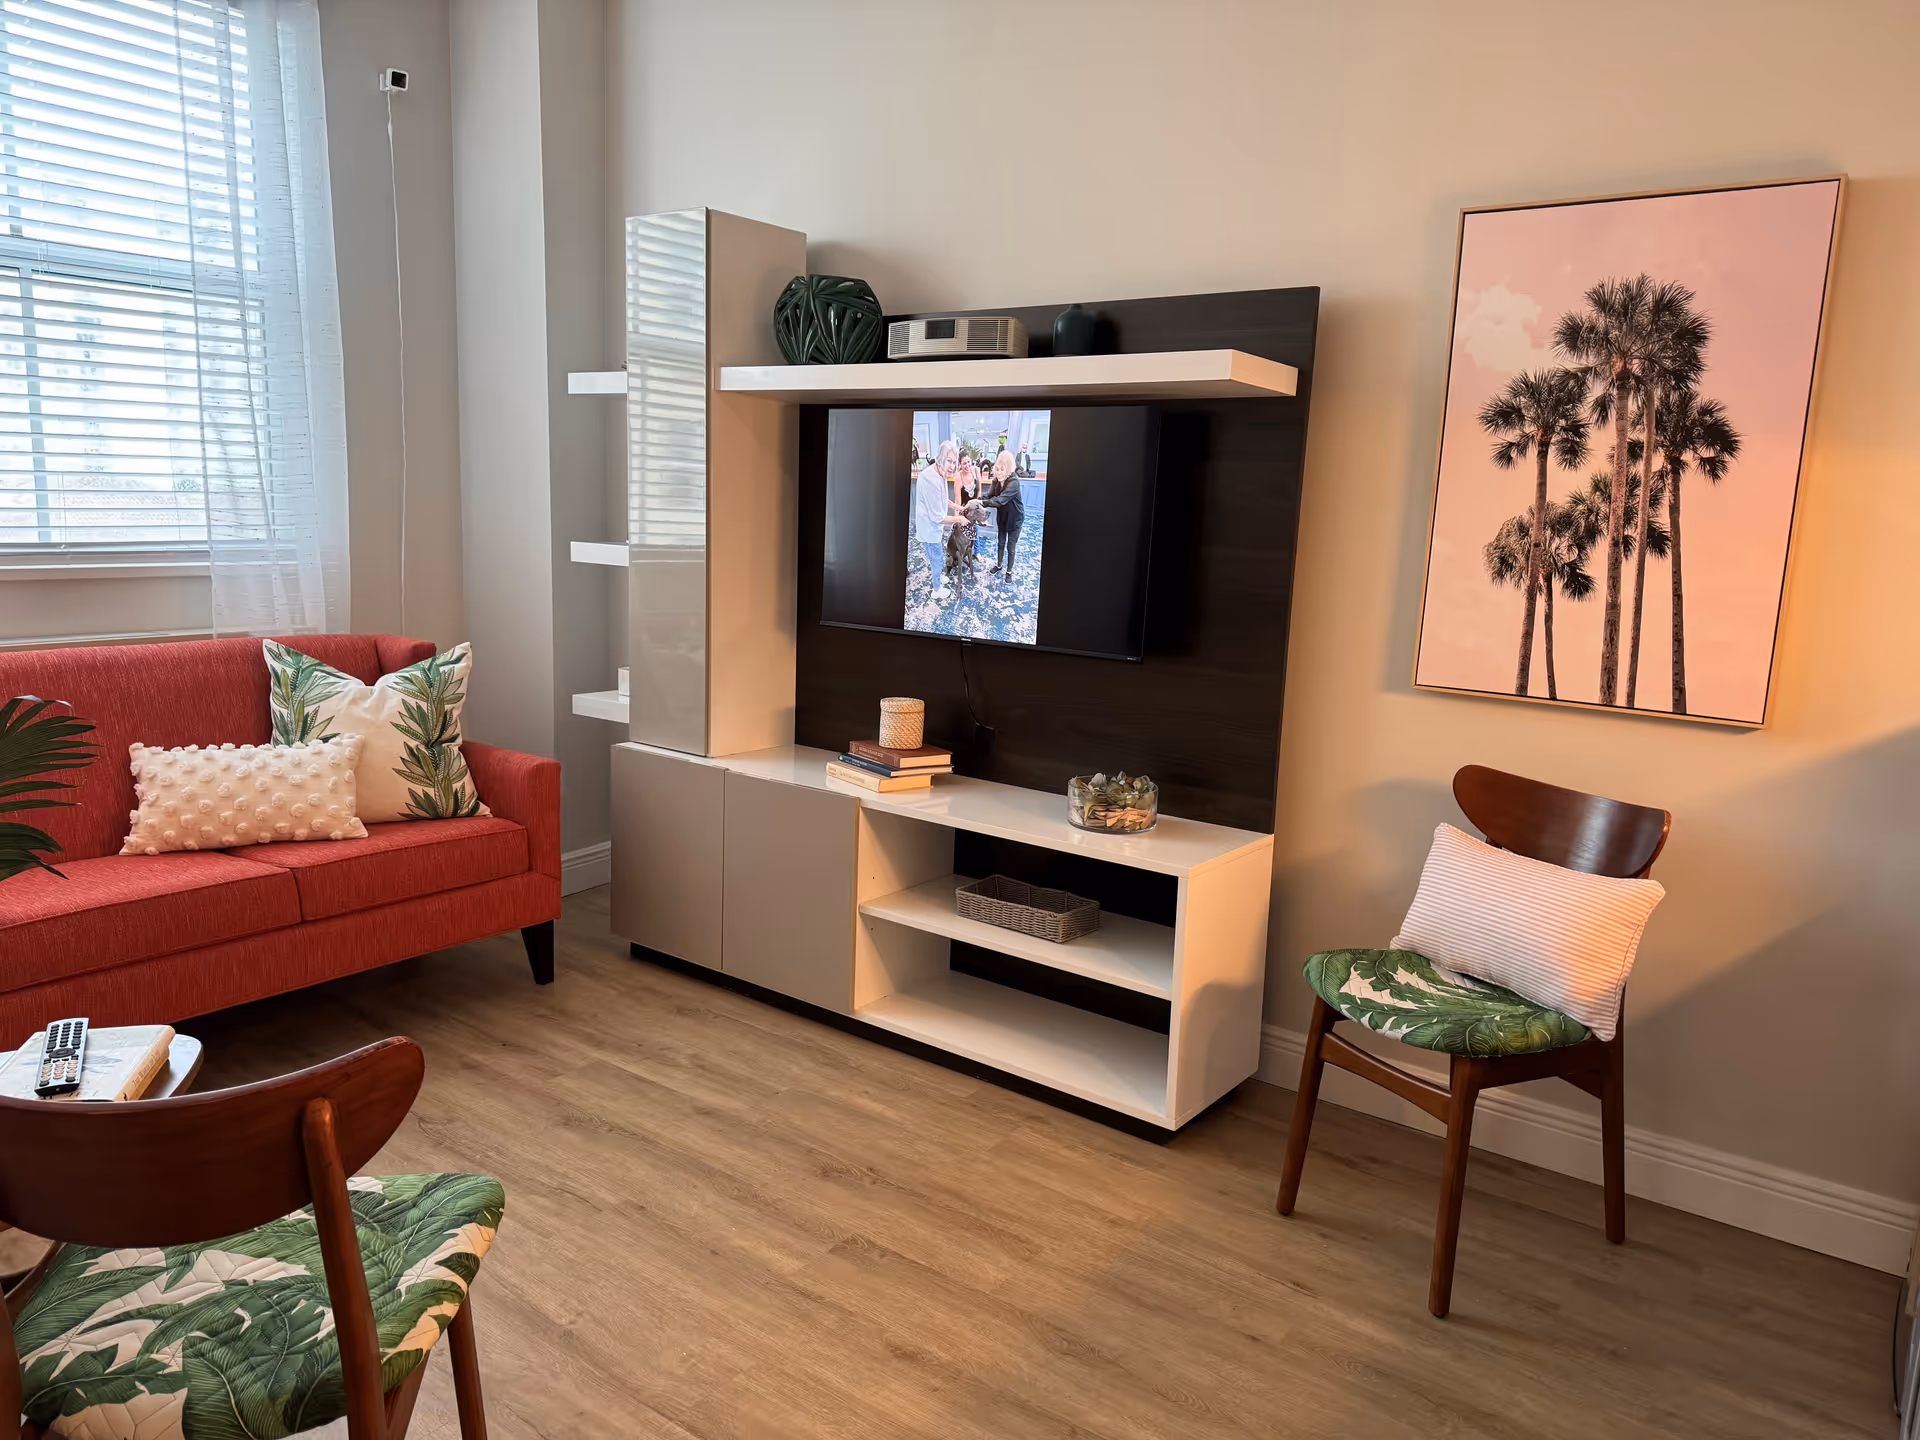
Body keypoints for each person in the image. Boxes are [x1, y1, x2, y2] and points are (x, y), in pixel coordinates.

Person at [914, 441, 960, 600]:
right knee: (936, 559)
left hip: (934, 527)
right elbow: (938, 517)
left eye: (954, 462)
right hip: (929, 528)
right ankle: (936, 589)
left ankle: (938, 578)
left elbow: (943, 499)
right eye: (949, 461)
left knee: (938, 556)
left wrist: (958, 507)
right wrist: (959, 518)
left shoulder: (941, 473)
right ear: (940, 458)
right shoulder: (930, 479)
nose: (952, 466)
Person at [982, 449, 1024, 574]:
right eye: (997, 469)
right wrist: (978, 500)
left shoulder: (1014, 482)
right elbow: (989, 496)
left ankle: (1009, 571)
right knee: (1000, 543)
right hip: (1003, 518)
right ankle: (999, 565)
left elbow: (1000, 500)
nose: (999, 473)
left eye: (1002, 469)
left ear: (1009, 469)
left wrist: (984, 503)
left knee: (1010, 547)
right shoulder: (996, 481)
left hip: (1015, 519)